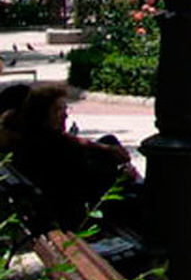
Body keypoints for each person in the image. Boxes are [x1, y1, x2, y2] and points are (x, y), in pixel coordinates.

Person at [12, 85, 141, 231]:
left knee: (108, 141)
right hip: (81, 212)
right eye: (57, 110)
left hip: (62, 201)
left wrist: (104, 148)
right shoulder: (58, 149)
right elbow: (90, 185)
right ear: (41, 116)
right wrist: (123, 176)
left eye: (65, 109)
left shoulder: (31, 137)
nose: (65, 115)